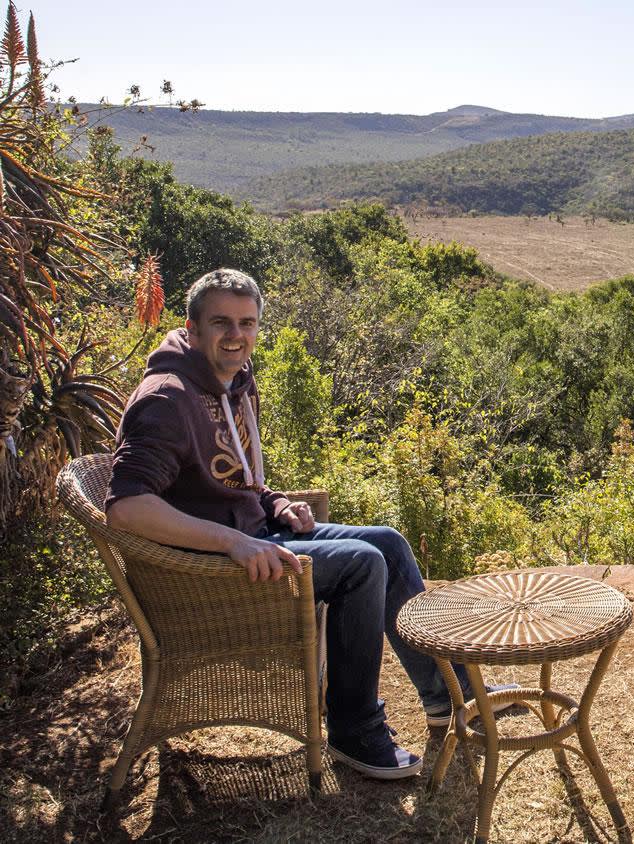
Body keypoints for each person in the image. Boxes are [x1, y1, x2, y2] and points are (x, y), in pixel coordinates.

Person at [105, 268, 503, 780]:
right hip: (209, 569)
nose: (236, 335)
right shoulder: (167, 398)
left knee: (388, 541)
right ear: (193, 325)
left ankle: (447, 697)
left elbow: (235, 479)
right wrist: (232, 543)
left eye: (247, 324)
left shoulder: (232, 381)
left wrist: (275, 503)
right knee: (362, 565)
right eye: (222, 322)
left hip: (254, 535)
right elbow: (127, 508)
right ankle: (354, 731)